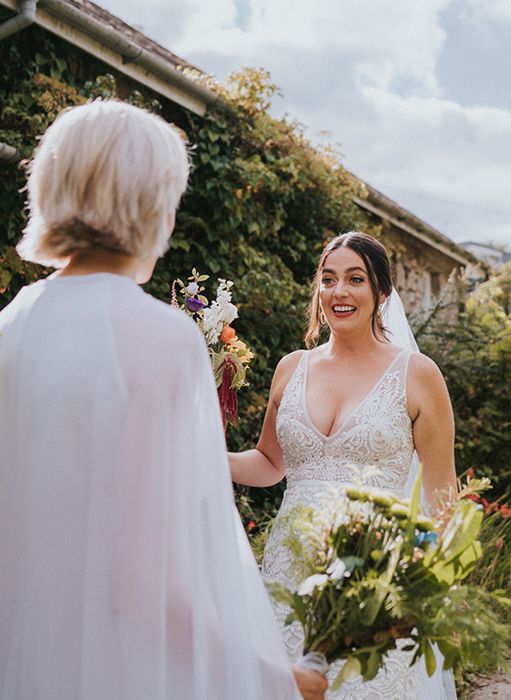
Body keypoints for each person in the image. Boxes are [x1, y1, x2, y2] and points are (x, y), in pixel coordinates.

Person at [0, 100, 326, 700]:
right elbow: (144, 581)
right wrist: (275, 677)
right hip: (115, 668)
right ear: (151, 203)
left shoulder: (9, 328)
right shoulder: (160, 336)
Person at [229, 231, 458, 698]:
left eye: (356, 279)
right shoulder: (291, 368)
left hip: (375, 574)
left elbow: (443, 499)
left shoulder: (418, 375)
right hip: (289, 571)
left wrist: (433, 589)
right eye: (328, 279)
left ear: (381, 294)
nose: (339, 292)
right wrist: (202, 454)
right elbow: (270, 463)